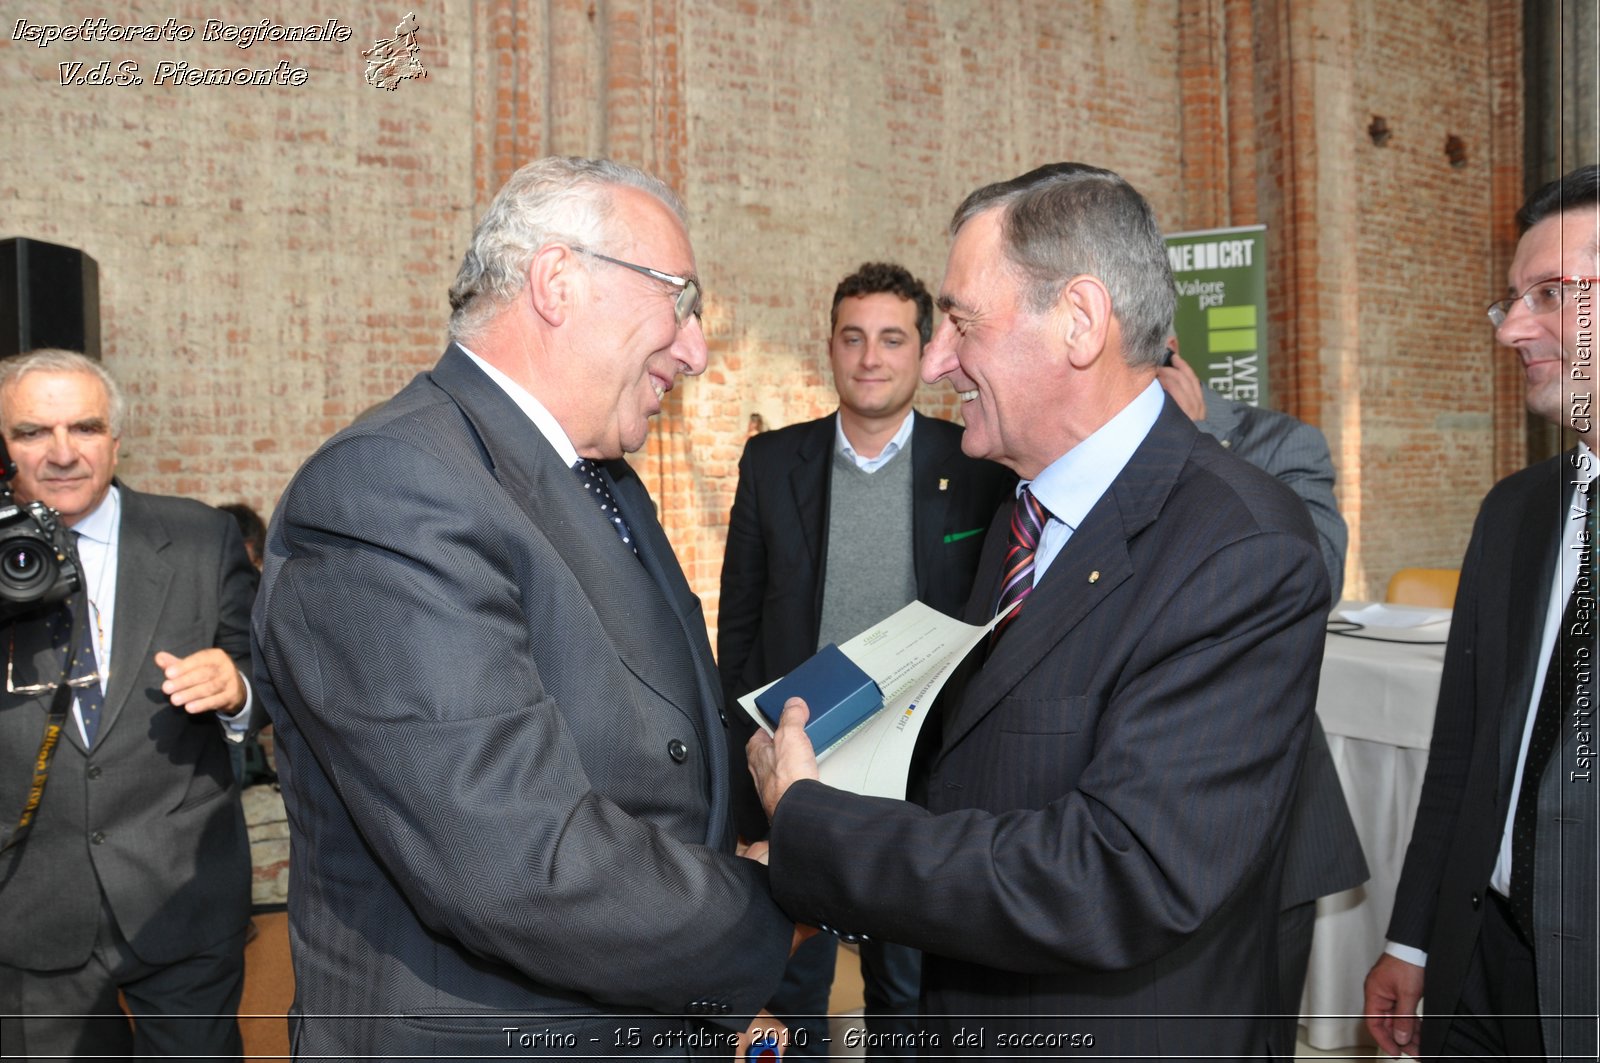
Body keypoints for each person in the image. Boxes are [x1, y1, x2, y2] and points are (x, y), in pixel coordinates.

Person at [746, 162, 1332, 1058]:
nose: (936, 362)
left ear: (1081, 322)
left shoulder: (1241, 546)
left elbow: (1117, 872)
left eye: (962, 323)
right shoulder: (1021, 508)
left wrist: (815, 820)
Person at [252, 156, 800, 1059]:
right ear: (557, 281)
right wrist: (765, 908)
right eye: (681, 298)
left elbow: (659, 752)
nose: (696, 348)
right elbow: (514, 863)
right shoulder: (390, 488)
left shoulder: (600, 477)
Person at [719, 262, 1014, 1055]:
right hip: (797, 764)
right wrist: (748, 746)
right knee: (792, 984)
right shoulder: (772, 462)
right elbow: (738, 628)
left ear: (923, 350)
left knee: (907, 988)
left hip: (921, 776)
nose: (871, 357)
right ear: (832, 349)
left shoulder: (979, 468)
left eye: (892, 338)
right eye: (854, 338)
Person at [1363, 166, 1599, 1060]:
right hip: (1480, 966)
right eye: (1512, 299)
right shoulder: (1514, 511)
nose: (1516, 329)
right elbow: (1464, 750)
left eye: (1551, 294)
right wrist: (1412, 937)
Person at [0, 349, 258, 1059]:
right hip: (29, 905)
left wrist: (236, 685)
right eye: (31, 432)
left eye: (83, 427)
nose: (61, 453)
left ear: (117, 438)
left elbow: (270, 665)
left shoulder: (201, 536)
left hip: (184, 894)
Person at [1158, 349, 1368, 1047]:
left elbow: (1317, 576)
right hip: (1139, 829)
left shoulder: (1281, 443)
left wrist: (1200, 447)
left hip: (1271, 822)